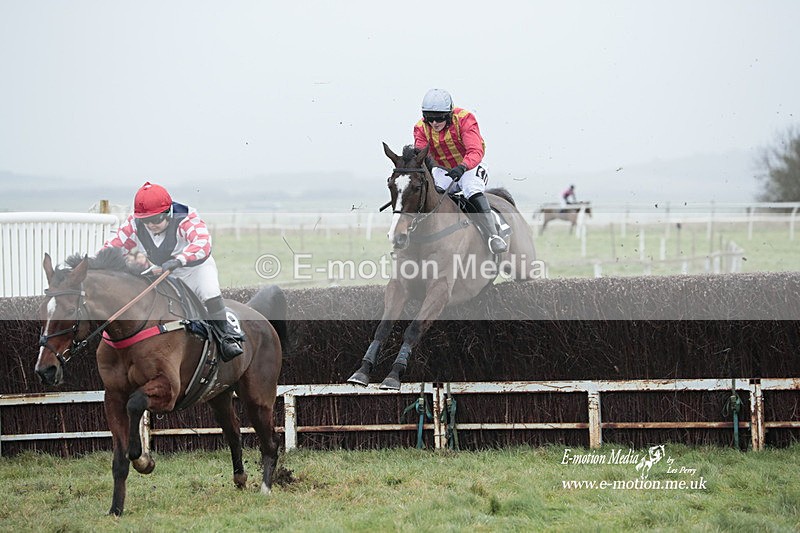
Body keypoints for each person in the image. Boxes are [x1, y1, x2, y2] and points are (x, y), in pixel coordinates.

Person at [104, 181, 244, 361]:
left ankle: (227, 338)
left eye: (156, 219)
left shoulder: (186, 217)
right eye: (146, 220)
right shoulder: (134, 222)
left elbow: (202, 243)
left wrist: (179, 260)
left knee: (209, 292)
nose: (151, 225)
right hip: (164, 270)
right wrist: (96, 262)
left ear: (168, 211)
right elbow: (114, 246)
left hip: (195, 269)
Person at [413, 88, 507, 254]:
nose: (434, 123)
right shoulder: (420, 128)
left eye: (439, 118)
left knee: (471, 188)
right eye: (429, 118)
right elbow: (421, 155)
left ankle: (493, 236)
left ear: (449, 114)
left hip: (470, 166)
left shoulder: (465, 119)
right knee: (432, 195)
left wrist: (462, 167)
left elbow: (475, 151)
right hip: (444, 169)